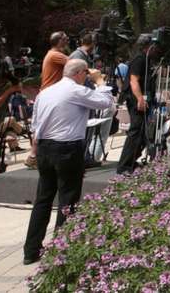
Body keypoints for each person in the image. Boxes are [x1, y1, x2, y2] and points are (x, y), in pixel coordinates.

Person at [22, 58, 115, 264]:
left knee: (43, 199)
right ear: (80, 73)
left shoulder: (45, 93)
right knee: (68, 199)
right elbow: (107, 103)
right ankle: (62, 250)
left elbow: (36, 125)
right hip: (67, 148)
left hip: (46, 148)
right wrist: (100, 82)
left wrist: (35, 151)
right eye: (85, 74)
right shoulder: (74, 90)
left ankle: (31, 250)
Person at [116, 35, 157, 175]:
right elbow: (134, 80)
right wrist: (140, 98)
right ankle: (125, 166)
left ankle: (131, 162)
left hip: (141, 98)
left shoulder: (146, 59)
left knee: (143, 132)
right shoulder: (139, 59)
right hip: (136, 100)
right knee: (136, 131)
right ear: (148, 46)